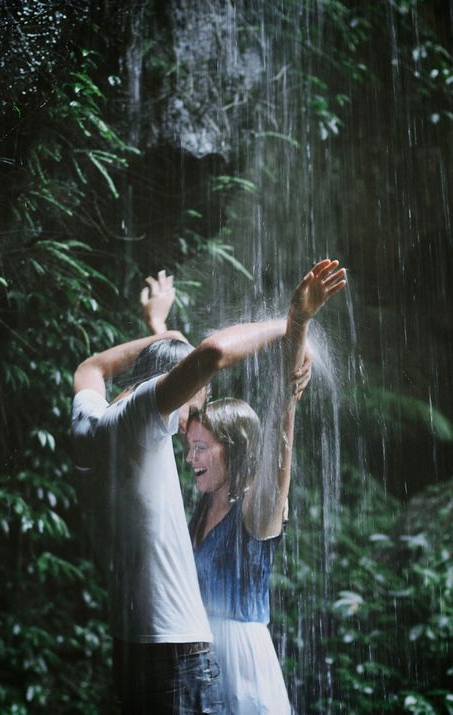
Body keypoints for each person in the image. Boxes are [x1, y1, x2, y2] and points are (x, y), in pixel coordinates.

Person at [71, 270, 308, 714]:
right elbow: (211, 354)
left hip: (130, 644)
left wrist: (163, 330)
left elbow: (90, 369)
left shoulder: (91, 420)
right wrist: (290, 323)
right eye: (193, 407)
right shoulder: (145, 418)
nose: (186, 433)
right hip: (178, 654)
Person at [184, 259, 346, 713]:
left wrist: (296, 328)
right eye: (190, 448)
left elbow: (278, 440)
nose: (190, 457)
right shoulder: (198, 510)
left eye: (201, 448)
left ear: (232, 449)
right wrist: (159, 327)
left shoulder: (256, 512)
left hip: (241, 671)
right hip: (192, 667)